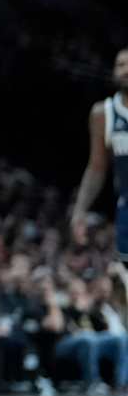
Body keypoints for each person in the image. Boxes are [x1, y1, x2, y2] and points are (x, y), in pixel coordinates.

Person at [71, 46, 128, 268]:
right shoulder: (102, 113)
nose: (125, 70)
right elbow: (96, 168)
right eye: (121, 65)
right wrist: (79, 212)